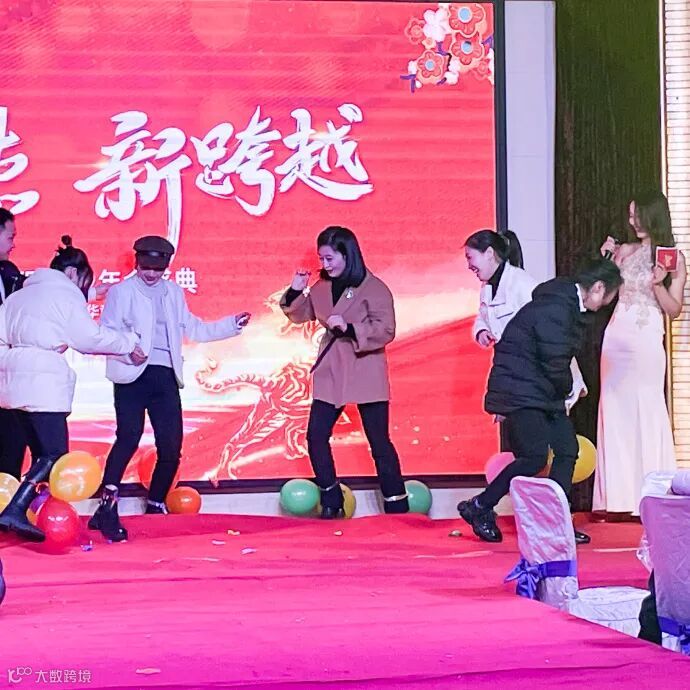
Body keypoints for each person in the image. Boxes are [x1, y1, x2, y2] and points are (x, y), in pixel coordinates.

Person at [90, 236, 251, 541]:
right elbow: (108, 331)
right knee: (128, 437)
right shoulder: (122, 292)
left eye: (157, 269)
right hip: (132, 373)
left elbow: (194, 327)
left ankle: (156, 502)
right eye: (146, 267)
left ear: (166, 266)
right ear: (137, 262)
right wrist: (129, 348)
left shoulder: (173, 292)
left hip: (164, 375)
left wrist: (231, 324)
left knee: (171, 446)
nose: (151, 274)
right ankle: (107, 505)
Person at [457, 259, 623, 544]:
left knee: (567, 450)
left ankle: (554, 520)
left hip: (540, 390)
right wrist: (568, 389)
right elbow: (554, 360)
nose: (606, 305)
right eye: (609, 297)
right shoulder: (558, 307)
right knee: (533, 458)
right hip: (522, 389)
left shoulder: (565, 302)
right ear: (598, 288)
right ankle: (480, 506)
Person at [0, 236, 143, 541]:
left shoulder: (18, 297)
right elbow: (89, 338)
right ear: (72, 273)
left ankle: (36, 516)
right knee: (55, 456)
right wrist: (129, 342)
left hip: (12, 387)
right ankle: (16, 509)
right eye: (82, 281)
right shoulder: (65, 297)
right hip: (44, 385)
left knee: (41, 456)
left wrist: (12, 363)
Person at [281, 225, 409, 518]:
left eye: (330, 258)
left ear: (347, 255)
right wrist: (296, 289)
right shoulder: (321, 287)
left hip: (365, 368)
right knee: (315, 436)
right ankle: (331, 497)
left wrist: (351, 328)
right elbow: (300, 314)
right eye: (321, 259)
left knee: (379, 441)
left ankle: (397, 503)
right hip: (332, 369)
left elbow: (386, 329)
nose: (325, 265)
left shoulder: (374, 288)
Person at [594, 192, 685, 516]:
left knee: (647, 406)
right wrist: (605, 263)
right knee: (615, 409)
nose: (631, 221)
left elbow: (674, 309)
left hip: (646, 338)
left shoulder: (673, 257)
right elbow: (604, 299)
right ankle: (617, 499)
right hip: (616, 337)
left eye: (637, 215)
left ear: (652, 214)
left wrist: (658, 284)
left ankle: (651, 494)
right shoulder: (624, 251)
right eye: (630, 215)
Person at [465, 229, 587, 415]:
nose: (468, 265)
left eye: (470, 257)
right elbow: (483, 315)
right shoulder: (487, 287)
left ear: (489, 253)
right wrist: (482, 331)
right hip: (517, 376)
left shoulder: (521, 283)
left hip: (538, 375)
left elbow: (549, 325)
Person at [0, 208, 29, 480]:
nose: (14, 244)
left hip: (8, 376)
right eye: (10, 237)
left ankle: (8, 497)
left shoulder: (9, 272)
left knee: (12, 441)